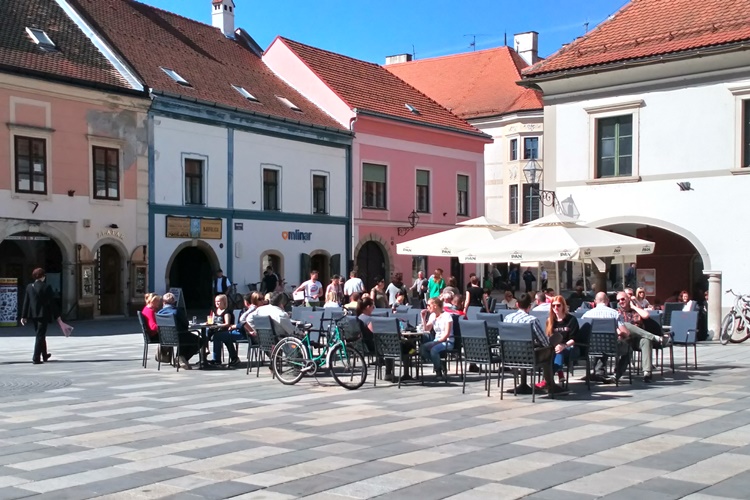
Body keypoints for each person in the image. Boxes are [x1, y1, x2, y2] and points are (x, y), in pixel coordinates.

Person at [503, 293, 555, 392]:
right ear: (530, 306)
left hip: (509, 355)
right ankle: (550, 384)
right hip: (529, 356)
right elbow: (544, 342)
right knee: (549, 351)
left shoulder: (507, 318)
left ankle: (523, 384)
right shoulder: (532, 320)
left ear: (517, 305)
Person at [20, 267, 72, 364]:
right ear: (42, 276)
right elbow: (52, 303)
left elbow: (26, 302)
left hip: (33, 315)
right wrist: (57, 316)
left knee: (40, 334)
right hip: (43, 315)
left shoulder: (29, 287)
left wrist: (24, 316)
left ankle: (44, 354)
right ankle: (36, 358)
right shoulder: (46, 287)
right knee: (40, 335)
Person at [616, 291, 668, 383]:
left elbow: (646, 315)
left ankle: (647, 373)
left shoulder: (636, 309)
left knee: (646, 340)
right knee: (626, 325)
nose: (620, 301)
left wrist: (633, 307)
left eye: (623, 299)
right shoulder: (617, 312)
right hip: (625, 339)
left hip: (638, 339)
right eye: (618, 300)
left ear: (628, 299)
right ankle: (655, 337)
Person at [582, 292, 631, 383]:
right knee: (629, 349)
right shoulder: (614, 314)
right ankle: (617, 375)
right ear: (607, 301)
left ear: (595, 301)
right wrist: (622, 335)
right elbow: (625, 332)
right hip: (611, 347)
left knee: (599, 343)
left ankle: (598, 372)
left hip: (591, 347)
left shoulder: (586, 315)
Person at [211, 292, 261, 366]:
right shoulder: (249, 310)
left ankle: (217, 360)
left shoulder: (250, 311)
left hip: (245, 333)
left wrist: (235, 326)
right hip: (244, 331)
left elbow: (244, 323)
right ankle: (234, 358)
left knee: (217, 336)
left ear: (246, 302)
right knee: (225, 336)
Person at [157, 292, 201, 369]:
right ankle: (182, 357)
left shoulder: (159, 313)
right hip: (180, 336)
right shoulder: (177, 311)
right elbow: (186, 324)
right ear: (174, 302)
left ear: (163, 302)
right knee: (200, 340)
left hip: (165, 338)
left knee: (186, 338)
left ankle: (180, 358)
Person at [546, 296, 581, 386]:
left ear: (563, 306)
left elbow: (574, 339)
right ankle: (558, 373)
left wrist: (564, 346)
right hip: (555, 348)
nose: (556, 308)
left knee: (559, 351)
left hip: (571, 347)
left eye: (558, 305)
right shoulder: (550, 321)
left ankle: (548, 380)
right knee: (554, 351)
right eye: (553, 306)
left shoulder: (571, 320)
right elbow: (549, 338)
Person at [419, 297, 454, 381]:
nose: (427, 307)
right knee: (422, 348)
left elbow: (447, 334)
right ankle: (439, 363)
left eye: (428, 305)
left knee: (433, 350)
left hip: (448, 341)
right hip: (437, 340)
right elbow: (426, 329)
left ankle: (438, 371)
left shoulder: (447, 316)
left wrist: (436, 342)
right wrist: (423, 318)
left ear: (435, 306)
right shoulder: (432, 316)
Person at [142, 293, 172, 363]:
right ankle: (163, 355)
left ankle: (163, 353)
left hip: (149, 335)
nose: (159, 304)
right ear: (153, 301)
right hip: (153, 335)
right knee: (172, 336)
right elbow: (153, 327)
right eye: (158, 301)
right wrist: (163, 326)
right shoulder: (150, 311)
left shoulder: (145, 309)